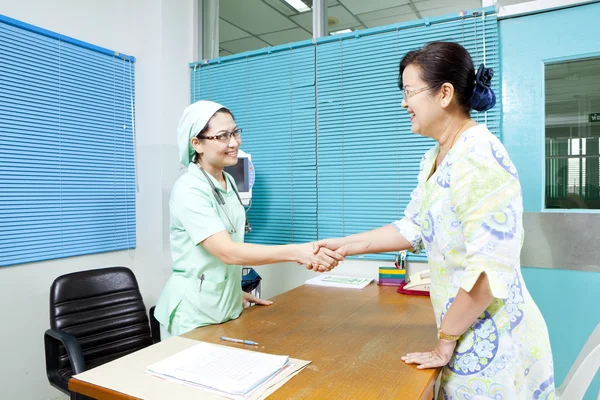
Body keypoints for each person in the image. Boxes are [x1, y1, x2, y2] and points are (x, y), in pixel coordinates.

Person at [312, 42, 555, 398]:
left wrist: (445, 341)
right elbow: (412, 226)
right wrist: (345, 245)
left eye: (409, 92)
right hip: (463, 330)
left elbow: (487, 273)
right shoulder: (435, 157)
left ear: (444, 93)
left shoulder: (478, 156)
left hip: (495, 340)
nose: (403, 103)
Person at [155, 100, 343, 339]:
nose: (234, 142)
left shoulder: (228, 181)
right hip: (193, 313)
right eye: (223, 136)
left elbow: (230, 241)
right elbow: (227, 252)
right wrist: (298, 251)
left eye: (234, 132)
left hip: (223, 307)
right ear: (196, 144)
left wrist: (233, 291)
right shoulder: (189, 189)